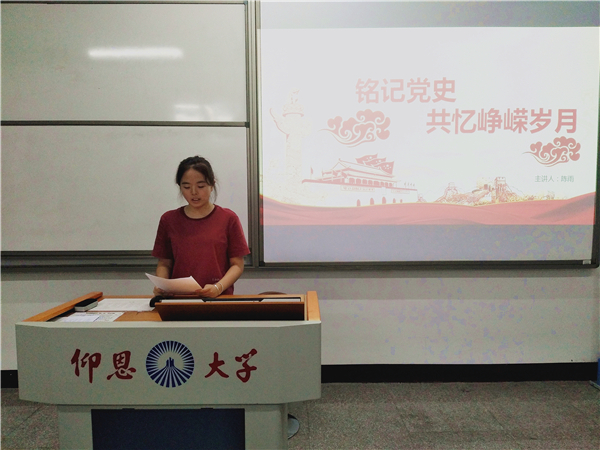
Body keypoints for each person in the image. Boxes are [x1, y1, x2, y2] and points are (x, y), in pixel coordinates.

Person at [152, 156, 249, 297]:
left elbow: (237, 265)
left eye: (201, 186)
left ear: (212, 185)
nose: (193, 192)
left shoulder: (228, 218)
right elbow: (164, 263)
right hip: (178, 299)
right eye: (186, 187)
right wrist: (161, 285)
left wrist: (218, 287)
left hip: (218, 299)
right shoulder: (168, 220)